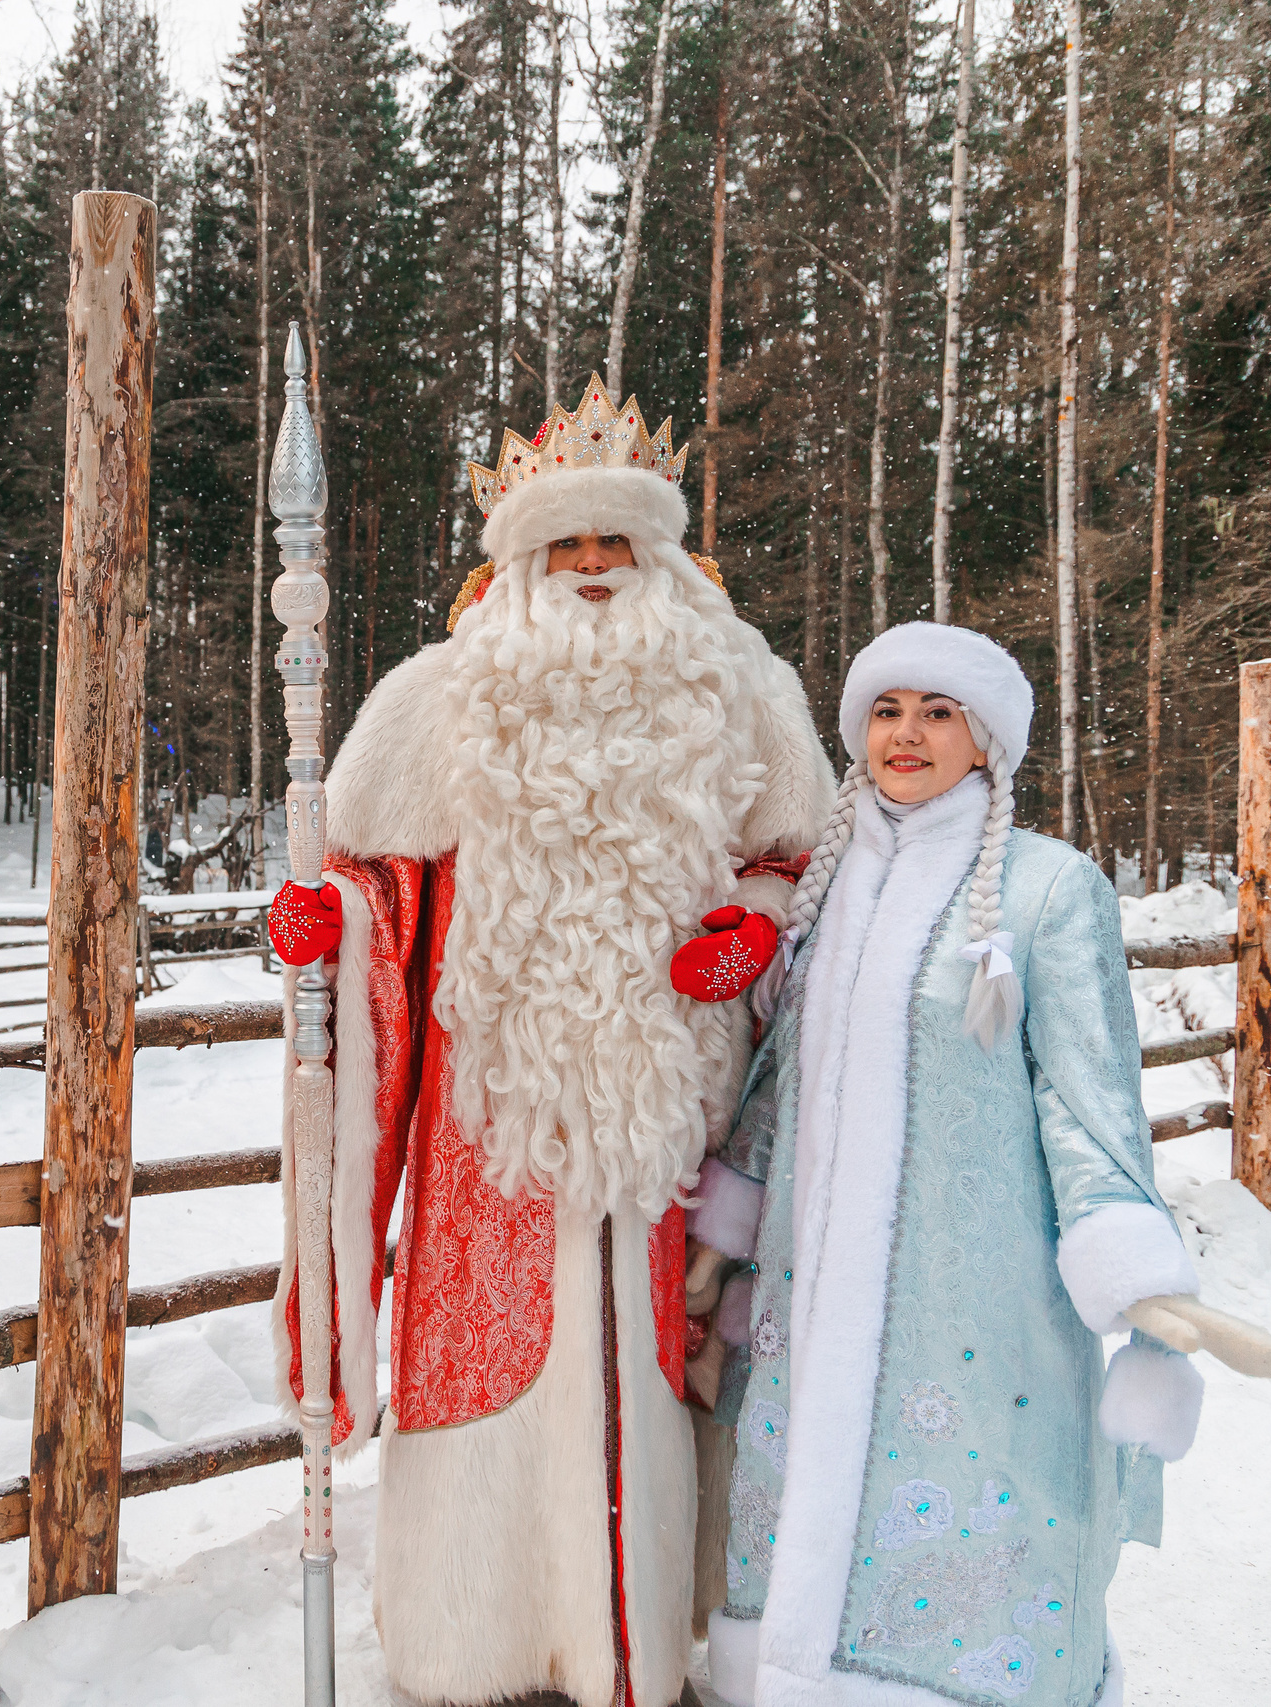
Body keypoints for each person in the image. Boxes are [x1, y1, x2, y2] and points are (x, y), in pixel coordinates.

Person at [263, 374, 834, 1707]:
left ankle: (632, 1633)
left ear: (660, 555)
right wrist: (326, 921)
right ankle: (477, 1643)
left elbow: (801, 860)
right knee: (486, 1357)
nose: (590, 568)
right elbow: (377, 893)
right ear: (516, 561)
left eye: (615, 543)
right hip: (488, 1130)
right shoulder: (434, 698)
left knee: (653, 1371)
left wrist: (752, 926)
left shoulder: (737, 687)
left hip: (669, 1119)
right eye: (565, 544)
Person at [690, 623, 1271, 1707]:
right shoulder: (822, 901)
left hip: (970, 1310)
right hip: (807, 1300)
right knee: (797, 1535)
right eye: (885, 710)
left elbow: (1086, 1099)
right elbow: (778, 1087)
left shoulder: (1048, 893)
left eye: (937, 713)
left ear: (986, 742)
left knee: (975, 1532)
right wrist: (721, 1247)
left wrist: (1135, 1273)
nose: (906, 734)